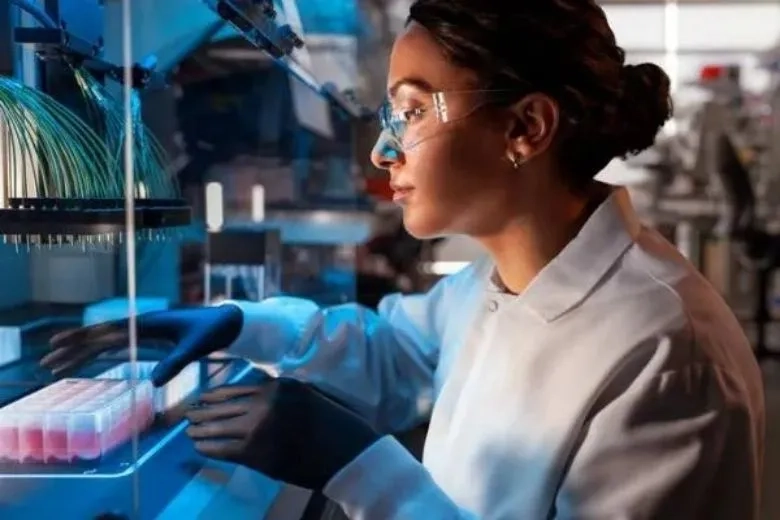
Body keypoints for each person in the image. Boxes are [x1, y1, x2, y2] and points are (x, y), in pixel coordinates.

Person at [43, 0, 765, 518]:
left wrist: (362, 471)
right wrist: (242, 323)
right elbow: (395, 352)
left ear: (526, 126)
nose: (383, 150)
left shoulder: (667, 356)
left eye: (412, 112)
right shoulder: (500, 281)